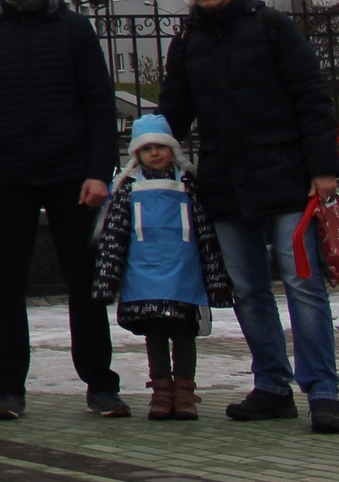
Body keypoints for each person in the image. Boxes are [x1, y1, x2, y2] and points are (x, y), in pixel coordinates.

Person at [158, 0, 339, 434]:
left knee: (304, 286)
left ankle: (323, 391)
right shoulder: (187, 42)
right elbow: (173, 112)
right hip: (225, 183)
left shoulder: (271, 27)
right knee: (247, 290)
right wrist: (145, 156)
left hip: (286, 177)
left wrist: (323, 169)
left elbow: (312, 97)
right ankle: (271, 386)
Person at [0, 0, 127, 420]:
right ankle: (7, 390)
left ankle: (100, 384)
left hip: (71, 174)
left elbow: (98, 104)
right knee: (6, 286)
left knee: (85, 284)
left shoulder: (73, 30)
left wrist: (98, 172)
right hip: (9, 175)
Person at [92, 112, 234, 421]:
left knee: (184, 333)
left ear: (173, 149)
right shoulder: (128, 189)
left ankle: (184, 393)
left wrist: (217, 280)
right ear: (136, 153)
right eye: (146, 148)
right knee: (154, 334)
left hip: (185, 274)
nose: (154, 154)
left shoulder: (189, 185)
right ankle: (160, 391)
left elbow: (206, 233)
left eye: (160, 147)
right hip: (143, 276)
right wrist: (107, 280)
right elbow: (114, 237)